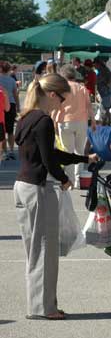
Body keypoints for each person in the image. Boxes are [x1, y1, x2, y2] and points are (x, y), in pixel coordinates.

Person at [13, 73, 97, 320]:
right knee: (45, 250)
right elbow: (50, 159)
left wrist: (82, 158)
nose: (62, 104)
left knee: (34, 250)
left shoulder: (26, 118)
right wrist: (64, 179)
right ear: (51, 95)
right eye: (61, 98)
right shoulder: (44, 121)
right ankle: (44, 308)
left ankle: (40, 305)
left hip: (22, 186)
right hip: (39, 188)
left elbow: (48, 153)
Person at [54, 65, 95, 186]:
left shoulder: (61, 88)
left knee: (67, 152)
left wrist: (54, 121)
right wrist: (93, 120)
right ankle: (79, 180)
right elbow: (89, 106)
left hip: (65, 121)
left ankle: (69, 180)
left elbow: (57, 107)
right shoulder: (82, 88)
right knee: (80, 151)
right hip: (81, 122)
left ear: (63, 75)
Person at [0, 60, 20, 160]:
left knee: (2, 129)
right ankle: (11, 150)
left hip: (1, 105)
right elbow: (15, 95)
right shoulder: (12, 80)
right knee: (10, 130)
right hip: (11, 104)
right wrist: (18, 106)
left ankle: (4, 151)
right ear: (8, 70)